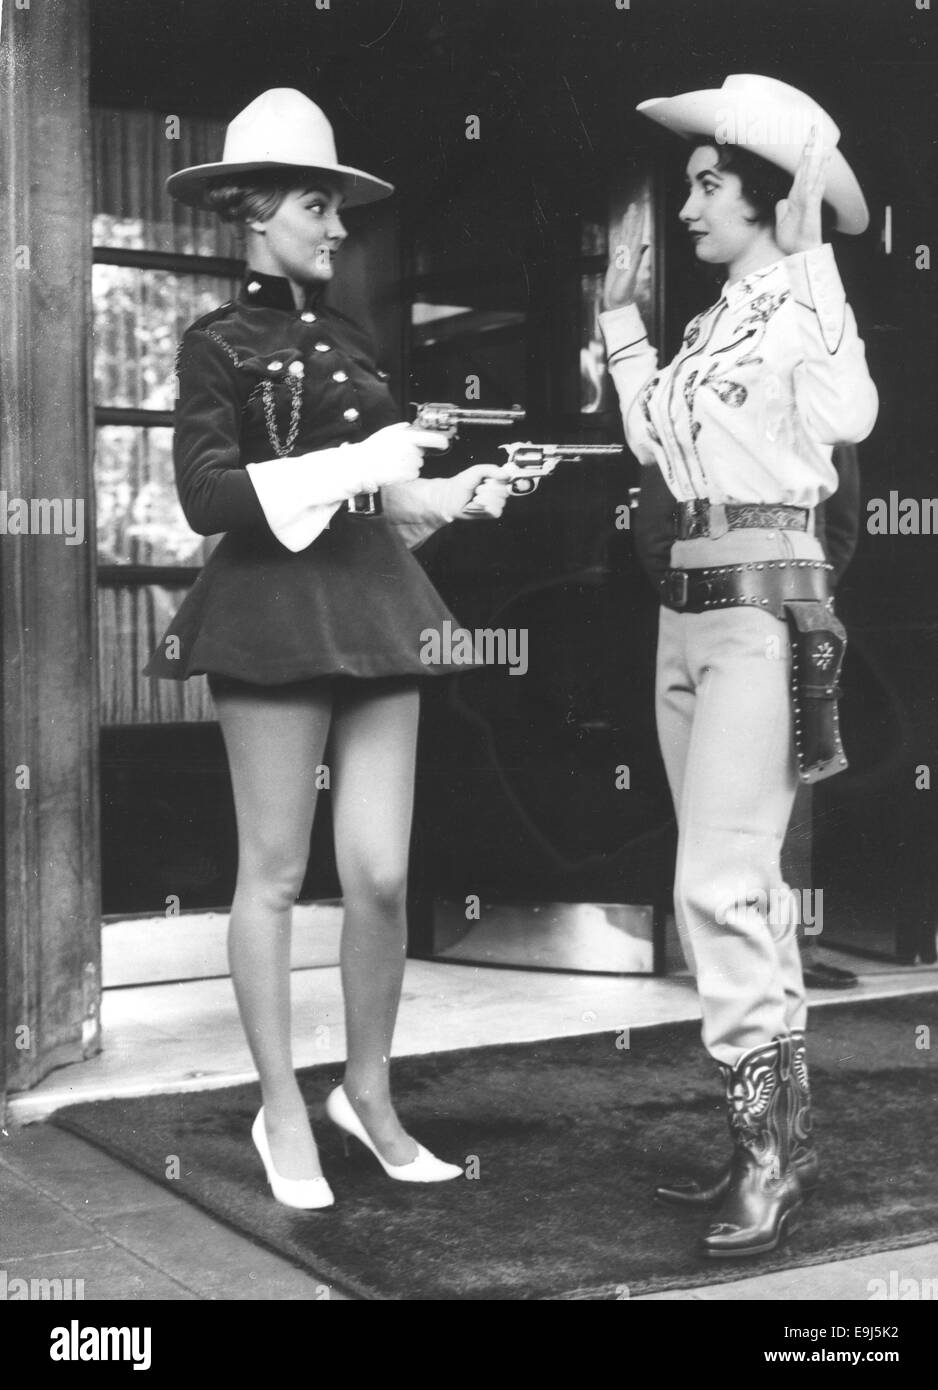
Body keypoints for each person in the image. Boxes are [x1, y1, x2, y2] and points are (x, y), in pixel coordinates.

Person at [144, 89, 515, 1208]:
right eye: (318, 205)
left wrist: (447, 494)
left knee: (384, 874)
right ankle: (281, 1106)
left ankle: (368, 1092)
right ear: (257, 211)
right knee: (269, 873)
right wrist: (368, 466)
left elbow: (382, 498)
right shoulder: (214, 346)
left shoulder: (350, 339)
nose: (338, 228)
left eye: (339, 209)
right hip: (266, 614)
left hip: (370, 604)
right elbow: (207, 498)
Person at [600, 75, 877, 1256]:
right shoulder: (717, 316)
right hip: (689, 619)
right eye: (692, 183)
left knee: (715, 888)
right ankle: (774, 1146)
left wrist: (816, 266)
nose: (690, 201)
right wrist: (618, 329)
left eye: (710, 185)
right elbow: (657, 440)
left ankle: (767, 1156)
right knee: (742, 888)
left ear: (769, 201)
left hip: (763, 618)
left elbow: (851, 414)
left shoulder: (798, 304)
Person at [634, 446, 864, 991]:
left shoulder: (816, 405)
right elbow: (654, 535)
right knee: (724, 822)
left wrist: (801, 595)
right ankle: (734, 976)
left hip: (780, 611)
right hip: (712, 611)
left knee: (781, 810)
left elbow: (842, 528)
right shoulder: (680, 403)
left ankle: (782, 967)